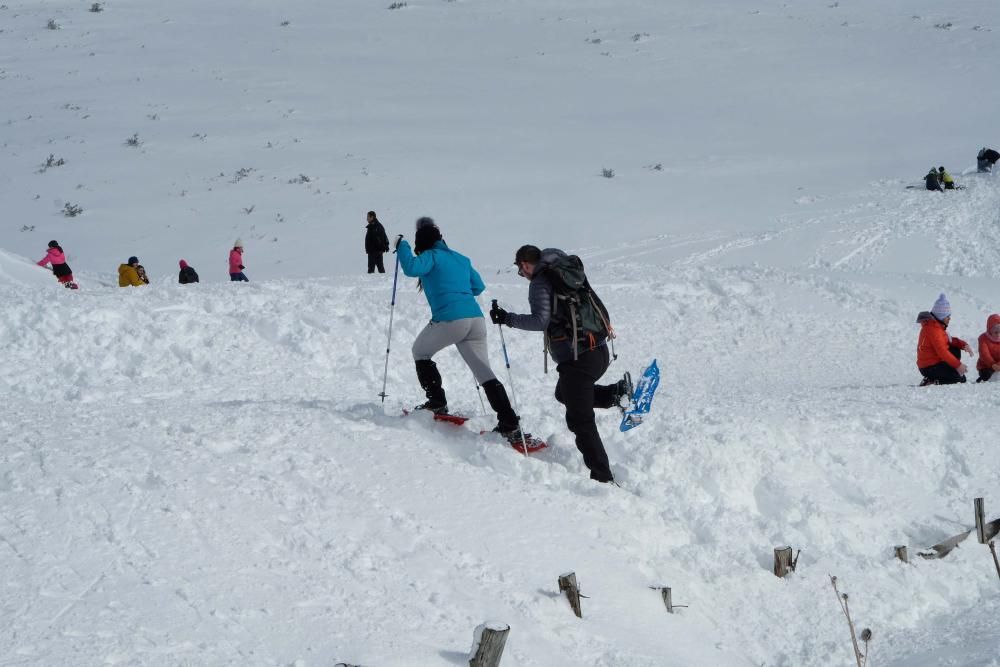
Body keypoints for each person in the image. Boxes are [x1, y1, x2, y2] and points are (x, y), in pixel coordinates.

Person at [490, 245, 630, 483]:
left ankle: (603, 478)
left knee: (580, 420)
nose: (522, 276)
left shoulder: (541, 282)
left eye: (520, 271)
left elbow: (539, 321)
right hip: (599, 350)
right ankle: (618, 393)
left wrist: (507, 319)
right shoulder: (566, 270)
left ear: (524, 264)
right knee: (564, 393)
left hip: (579, 359)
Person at [395, 217, 522, 442]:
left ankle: (436, 402)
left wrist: (401, 246)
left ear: (421, 242)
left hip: (450, 319)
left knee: (420, 352)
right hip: (475, 320)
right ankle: (509, 422)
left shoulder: (430, 257)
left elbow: (411, 268)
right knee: (484, 372)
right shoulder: (461, 258)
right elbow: (478, 286)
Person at [916, 293, 972, 385]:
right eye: (947, 316)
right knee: (960, 379)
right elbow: (942, 351)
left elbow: (949, 340)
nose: (949, 318)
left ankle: (938, 376)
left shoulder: (936, 326)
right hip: (929, 367)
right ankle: (932, 381)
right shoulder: (934, 330)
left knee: (955, 349)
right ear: (941, 316)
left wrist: (963, 344)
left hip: (933, 363)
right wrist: (958, 365)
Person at [976, 314, 1000, 383]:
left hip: (998, 365)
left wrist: (998, 365)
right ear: (990, 330)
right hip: (986, 366)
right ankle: (982, 379)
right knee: (987, 374)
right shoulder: (983, 338)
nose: (998, 334)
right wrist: (993, 364)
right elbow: (984, 354)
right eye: (996, 332)